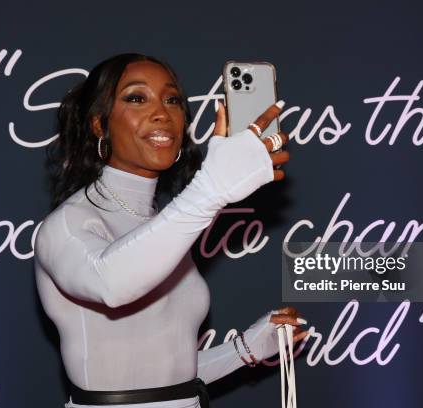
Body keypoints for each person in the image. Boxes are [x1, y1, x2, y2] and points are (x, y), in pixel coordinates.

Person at [33, 53, 308, 408]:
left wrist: (245, 349)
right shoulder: (67, 225)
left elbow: (162, 380)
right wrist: (209, 191)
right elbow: (111, 285)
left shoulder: (162, 223)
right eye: (136, 98)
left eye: (173, 99)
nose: (162, 112)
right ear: (99, 124)